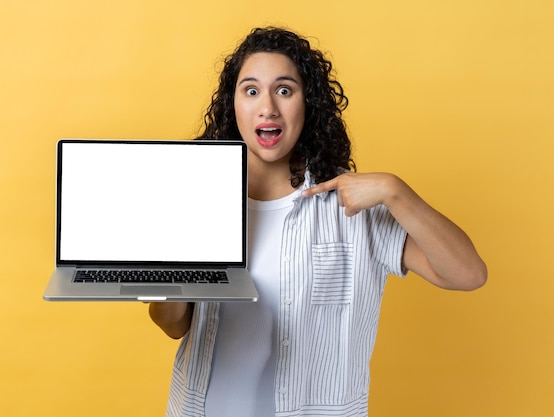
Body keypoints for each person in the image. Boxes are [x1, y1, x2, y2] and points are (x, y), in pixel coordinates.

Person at [149, 27, 487, 417]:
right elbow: (173, 324)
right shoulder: (200, 198)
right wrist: (172, 275)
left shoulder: (354, 205)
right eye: (252, 90)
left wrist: (397, 191)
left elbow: (468, 274)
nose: (268, 108)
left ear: (307, 103)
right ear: (233, 104)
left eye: (285, 90)